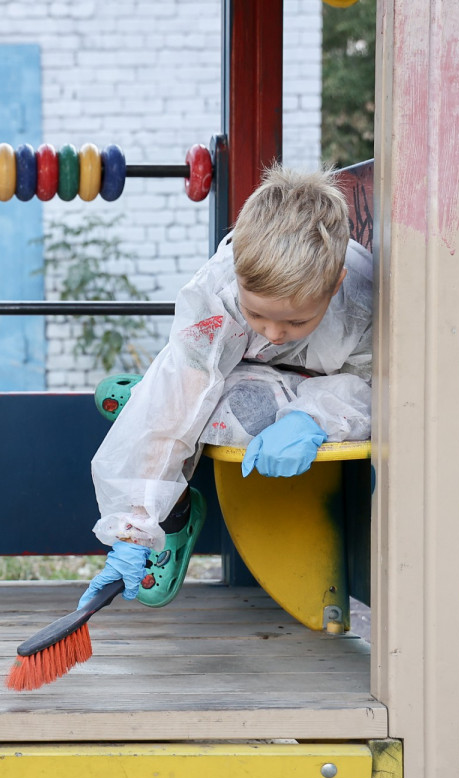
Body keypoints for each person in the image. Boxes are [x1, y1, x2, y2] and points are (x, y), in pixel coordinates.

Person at [80, 164, 373, 611]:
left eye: (296, 321)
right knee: (179, 390)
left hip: (309, 386)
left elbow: (378, 386)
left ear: (336, 284)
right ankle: (162, 438)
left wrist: (313, 418)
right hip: (228, 368)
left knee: (232, 410)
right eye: (257, 315)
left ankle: (160, 405)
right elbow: (188, 375)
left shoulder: (364, 301)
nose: (274, 333)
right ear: (237, 275)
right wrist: (133, 526)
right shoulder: (214, 291)